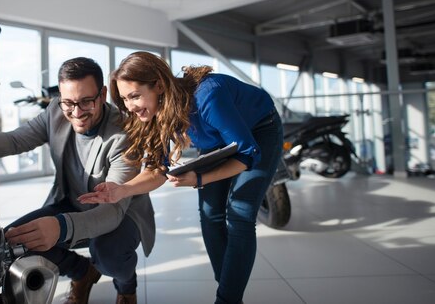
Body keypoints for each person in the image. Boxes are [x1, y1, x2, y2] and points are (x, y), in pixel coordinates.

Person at [79, 51, 283, 304]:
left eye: (134, 96)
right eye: (124, 99)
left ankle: (227, 298)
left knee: (240, 213)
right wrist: (122, 190)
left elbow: (247, 154)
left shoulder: (209, 96)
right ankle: (229, 291)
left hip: (259, 131)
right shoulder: (155, 112)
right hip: (219, 140)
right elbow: (157, 170)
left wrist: (200, 179)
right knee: (210, 215)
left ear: (159, 85)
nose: (130, 106)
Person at [0, 57, 155, 304]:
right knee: (14, 241)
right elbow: (15, 140)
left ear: (103, 94)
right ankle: (82, 272)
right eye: (69, 102)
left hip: (121, 212)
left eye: (86, 101)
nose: (77, 112)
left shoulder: (124, 133)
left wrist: (60, 226)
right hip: (71, 202)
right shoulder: (55, 111)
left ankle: (127, 287)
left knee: (108, 255)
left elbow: (112, 210)